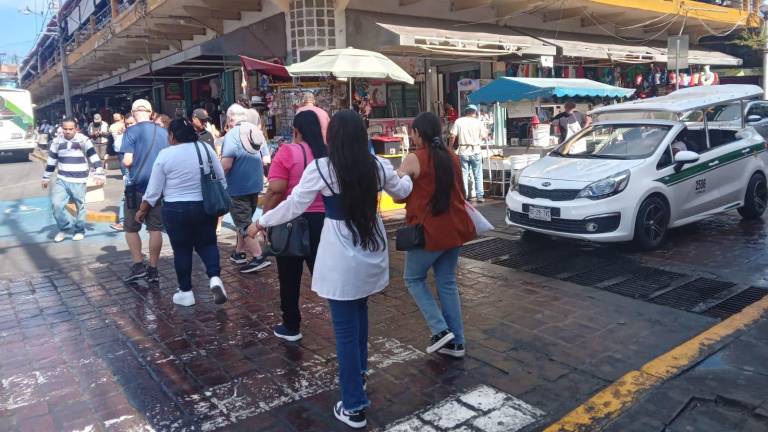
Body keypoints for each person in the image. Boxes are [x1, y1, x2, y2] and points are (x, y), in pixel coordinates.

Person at [247, 110, 413, 429]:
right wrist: (410, 170)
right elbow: (402, 192)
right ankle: (359, 378)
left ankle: (353, 406)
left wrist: (261, 222)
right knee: (360, 313)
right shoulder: (377, 165)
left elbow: (294, 206)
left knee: (346, 332)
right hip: (371, 247)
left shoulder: (322, 169)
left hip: (340, 254)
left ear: (331, 137)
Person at [399, 112, 476, 357]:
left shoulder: (415, 158)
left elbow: (398, 193)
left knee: (413, 278)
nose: (411, 136)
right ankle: (457, 342)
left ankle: (440, 330)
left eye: (412, 132)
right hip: (453, 230)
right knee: (447, 282)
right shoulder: (451, 157)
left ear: (419, 133)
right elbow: (462, 192)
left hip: (428, 233)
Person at [136, 119, 227, 306]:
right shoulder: (205, 149)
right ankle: (215, 278)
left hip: (175, 209)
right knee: (208, 244)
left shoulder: (165, 155)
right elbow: (220, 178)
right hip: (204, 206)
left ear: (172, 135)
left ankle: (186, 292)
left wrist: (142, 210)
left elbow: (154, 190)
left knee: (182, 250)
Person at [261, 111, 326, 341]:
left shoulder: (287, 151)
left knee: (289, 275)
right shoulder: (325, 153)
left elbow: (276, 189)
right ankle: (342, 314)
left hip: (290, 219)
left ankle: (291, 325)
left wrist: (265, 218)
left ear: (295, 131)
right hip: (323, 221)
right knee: (325, 272)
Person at [121, 99, 169, 282]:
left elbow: (127, 160)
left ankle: (138, 264)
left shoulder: (131, 131)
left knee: (131, 227)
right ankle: (154, 269)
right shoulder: (164, 132)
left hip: (137, 187)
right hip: (159, 187)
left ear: (133, 114)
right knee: (155, 228)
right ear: (151, 113)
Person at [221, 104, 270, 273]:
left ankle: (257, 256)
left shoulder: (232, 134)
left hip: (237, 186)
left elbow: (226, 164)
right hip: (255, 184)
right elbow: (266, 160)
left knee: (243, 222)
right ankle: (239, 253)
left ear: (230, 118)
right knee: (246, 218)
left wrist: (218, 178)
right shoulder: (257, 132)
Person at [42, 118, 105, 242]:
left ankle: (79, 230)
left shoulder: (83, 140)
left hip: (79, 179)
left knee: (79, 206)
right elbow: (51, 161)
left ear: (75, 128)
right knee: (56, 204)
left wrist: (100, 172)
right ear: (61, 128)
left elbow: (93, 156)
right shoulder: (56, 141)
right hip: (62, 179)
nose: (68, 131)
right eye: (65, 129)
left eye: (70, 129)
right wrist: (46, 177)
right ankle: (64, 227)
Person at [450, 104, 486, 203]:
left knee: (464, 174)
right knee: (478, 174)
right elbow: (484, 136)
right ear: (474, 112)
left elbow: (453, 135)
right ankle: (480, 196)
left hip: (463, 151)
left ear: (466, 112)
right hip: (476, 150)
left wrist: (450, 147)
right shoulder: (478, 122)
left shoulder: (459, 121)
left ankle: (464, 196)